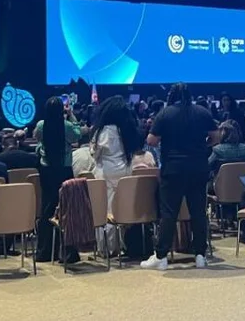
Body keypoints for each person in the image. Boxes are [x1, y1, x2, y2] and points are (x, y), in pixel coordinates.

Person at [141, 84, 218, 270]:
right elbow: (216, 137)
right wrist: (201, 147)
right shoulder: (202, 112)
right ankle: (200, 255)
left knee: (169, 213)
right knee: (198, 212)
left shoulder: (165, 113)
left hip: (173, 168)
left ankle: (161, 256)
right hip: (198, 167)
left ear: (171, 95)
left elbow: (151, 140)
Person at [34, 97, 81, 262]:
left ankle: (44, 252)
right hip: (64, 170)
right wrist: (72, 116)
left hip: (46, 171)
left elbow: (37, 138)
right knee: (67, 210)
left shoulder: (41, 125)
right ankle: (68, 253)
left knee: (47, 209)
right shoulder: (67, 126)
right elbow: (77, 136)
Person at [90, 96, 139, 253]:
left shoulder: (104, 131)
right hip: (125, 172)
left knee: (106, 212)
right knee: (122, 211)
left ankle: (107, 248)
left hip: (107, 173)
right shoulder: (127, 129)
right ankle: (122, 245)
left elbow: (95, 153)